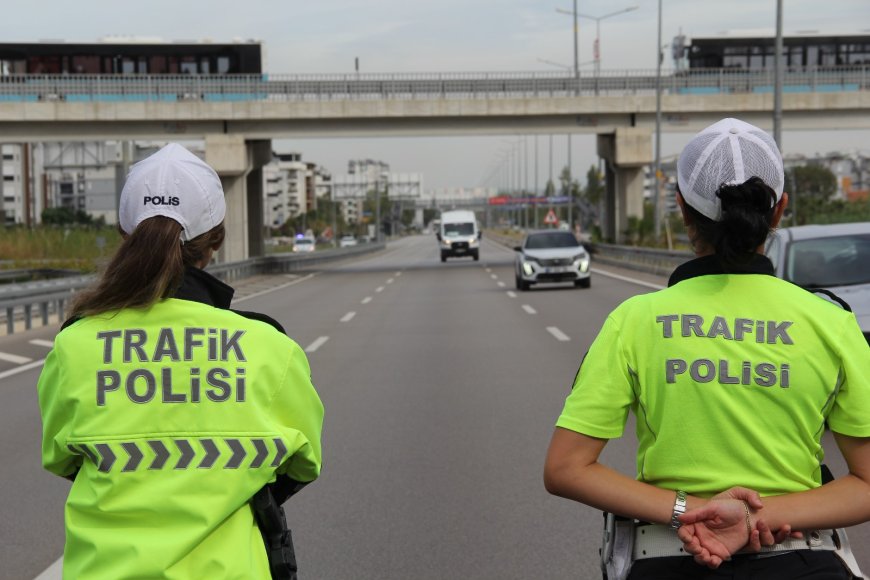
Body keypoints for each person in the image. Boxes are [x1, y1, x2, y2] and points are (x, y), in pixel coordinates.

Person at [543, 118, 870, 579]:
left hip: (668, 561)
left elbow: (565, 468)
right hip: (804, 562)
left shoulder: (635, 320)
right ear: (778, 212)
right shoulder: (832, 323)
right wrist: (759, 518)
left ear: (682, 209)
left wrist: (689, 510)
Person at [37, 143, 324, 579]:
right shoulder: (269, 347)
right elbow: (304, 463)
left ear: (124, 232)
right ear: (216, 241)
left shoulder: (75, 345)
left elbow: (63, 458)